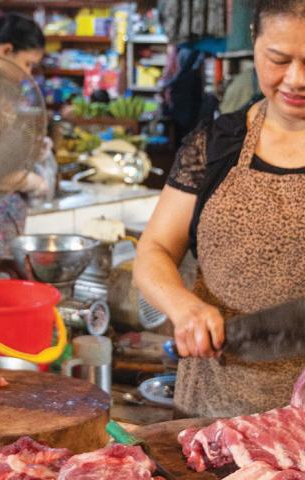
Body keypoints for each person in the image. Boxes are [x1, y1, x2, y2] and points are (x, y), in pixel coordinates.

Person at [133, 0, 305, 418]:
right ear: (254, 43)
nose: (296, 79)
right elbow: (153, 249)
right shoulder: (214, 144)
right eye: (278, 60)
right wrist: (183, 306)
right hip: (208, 415)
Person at [0, 12, 56, 278]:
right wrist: (29, 180)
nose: (28, 74)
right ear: (6, 50)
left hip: (1, 223)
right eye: (27, 64)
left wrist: (30, 149)